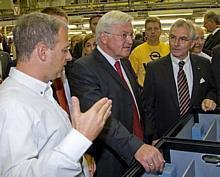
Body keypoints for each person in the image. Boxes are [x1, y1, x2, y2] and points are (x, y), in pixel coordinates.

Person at [0, 12, 112, 177]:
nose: (69, 57)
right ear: (43, 52)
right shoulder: (12, 105)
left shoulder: (41, 92)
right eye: (64, 50)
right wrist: (80, 139)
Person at [67, 10, 165, 177]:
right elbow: (102, 119)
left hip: (139, 150)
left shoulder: (124, 63)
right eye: (124, 35)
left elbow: (137, 103)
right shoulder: (84, 68)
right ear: (104, 37)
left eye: (131, 34)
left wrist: (151, 136)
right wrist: (136, 147)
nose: (130, 40)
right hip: (113, 158)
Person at [143, 19, 217, 144]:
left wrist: (210, 98)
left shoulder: (203, 64)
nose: (176, 43)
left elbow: (213, 89)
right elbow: (148, 108)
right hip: (165, 136)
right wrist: (153, 137)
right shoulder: (154, 68)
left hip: (197, 133)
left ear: (192, 43)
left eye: (183, 39)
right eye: (173, 37)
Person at [129, 17, 169, 87]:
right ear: (145, 32)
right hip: (144, 92)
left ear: (160, 31)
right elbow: (131, 77)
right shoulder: (136, 52)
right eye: (149, 29)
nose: (153, 32)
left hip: (166, 90)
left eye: (156, 28)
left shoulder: (169, 50)